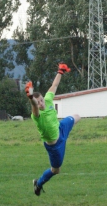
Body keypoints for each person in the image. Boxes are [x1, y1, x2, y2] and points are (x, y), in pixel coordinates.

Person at [25, 63, 81, 196]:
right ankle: (38, 183)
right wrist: (31, 97)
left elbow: (54, 86)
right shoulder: (37, 115)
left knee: (77, 116)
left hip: (61, 129)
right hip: (55, 145)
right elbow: (33, 104)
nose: (41, 103)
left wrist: (60, 72)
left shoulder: (48, 100)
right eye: (38, 102)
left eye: (42, 100)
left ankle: (67, 133)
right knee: (56, 170)